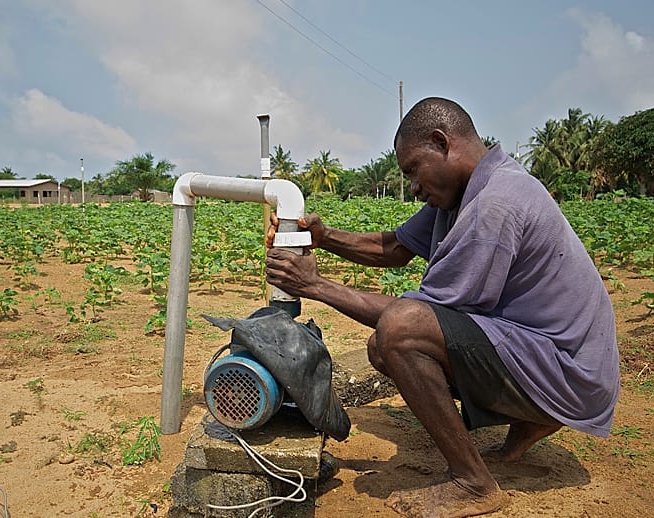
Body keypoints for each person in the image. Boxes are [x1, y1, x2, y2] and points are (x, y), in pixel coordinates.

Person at [265, 97, 620, 518]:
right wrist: (323, 237)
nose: (413, 187)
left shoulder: (495, 203)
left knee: (397, 334)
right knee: (385, 343)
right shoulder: (464, 191)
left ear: (441, 142)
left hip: (571, 372)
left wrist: (315, 285)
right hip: (557, 356)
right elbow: (395, 247)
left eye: (413, 170)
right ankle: (533, 419)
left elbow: (411, 320)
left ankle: (474, 484)